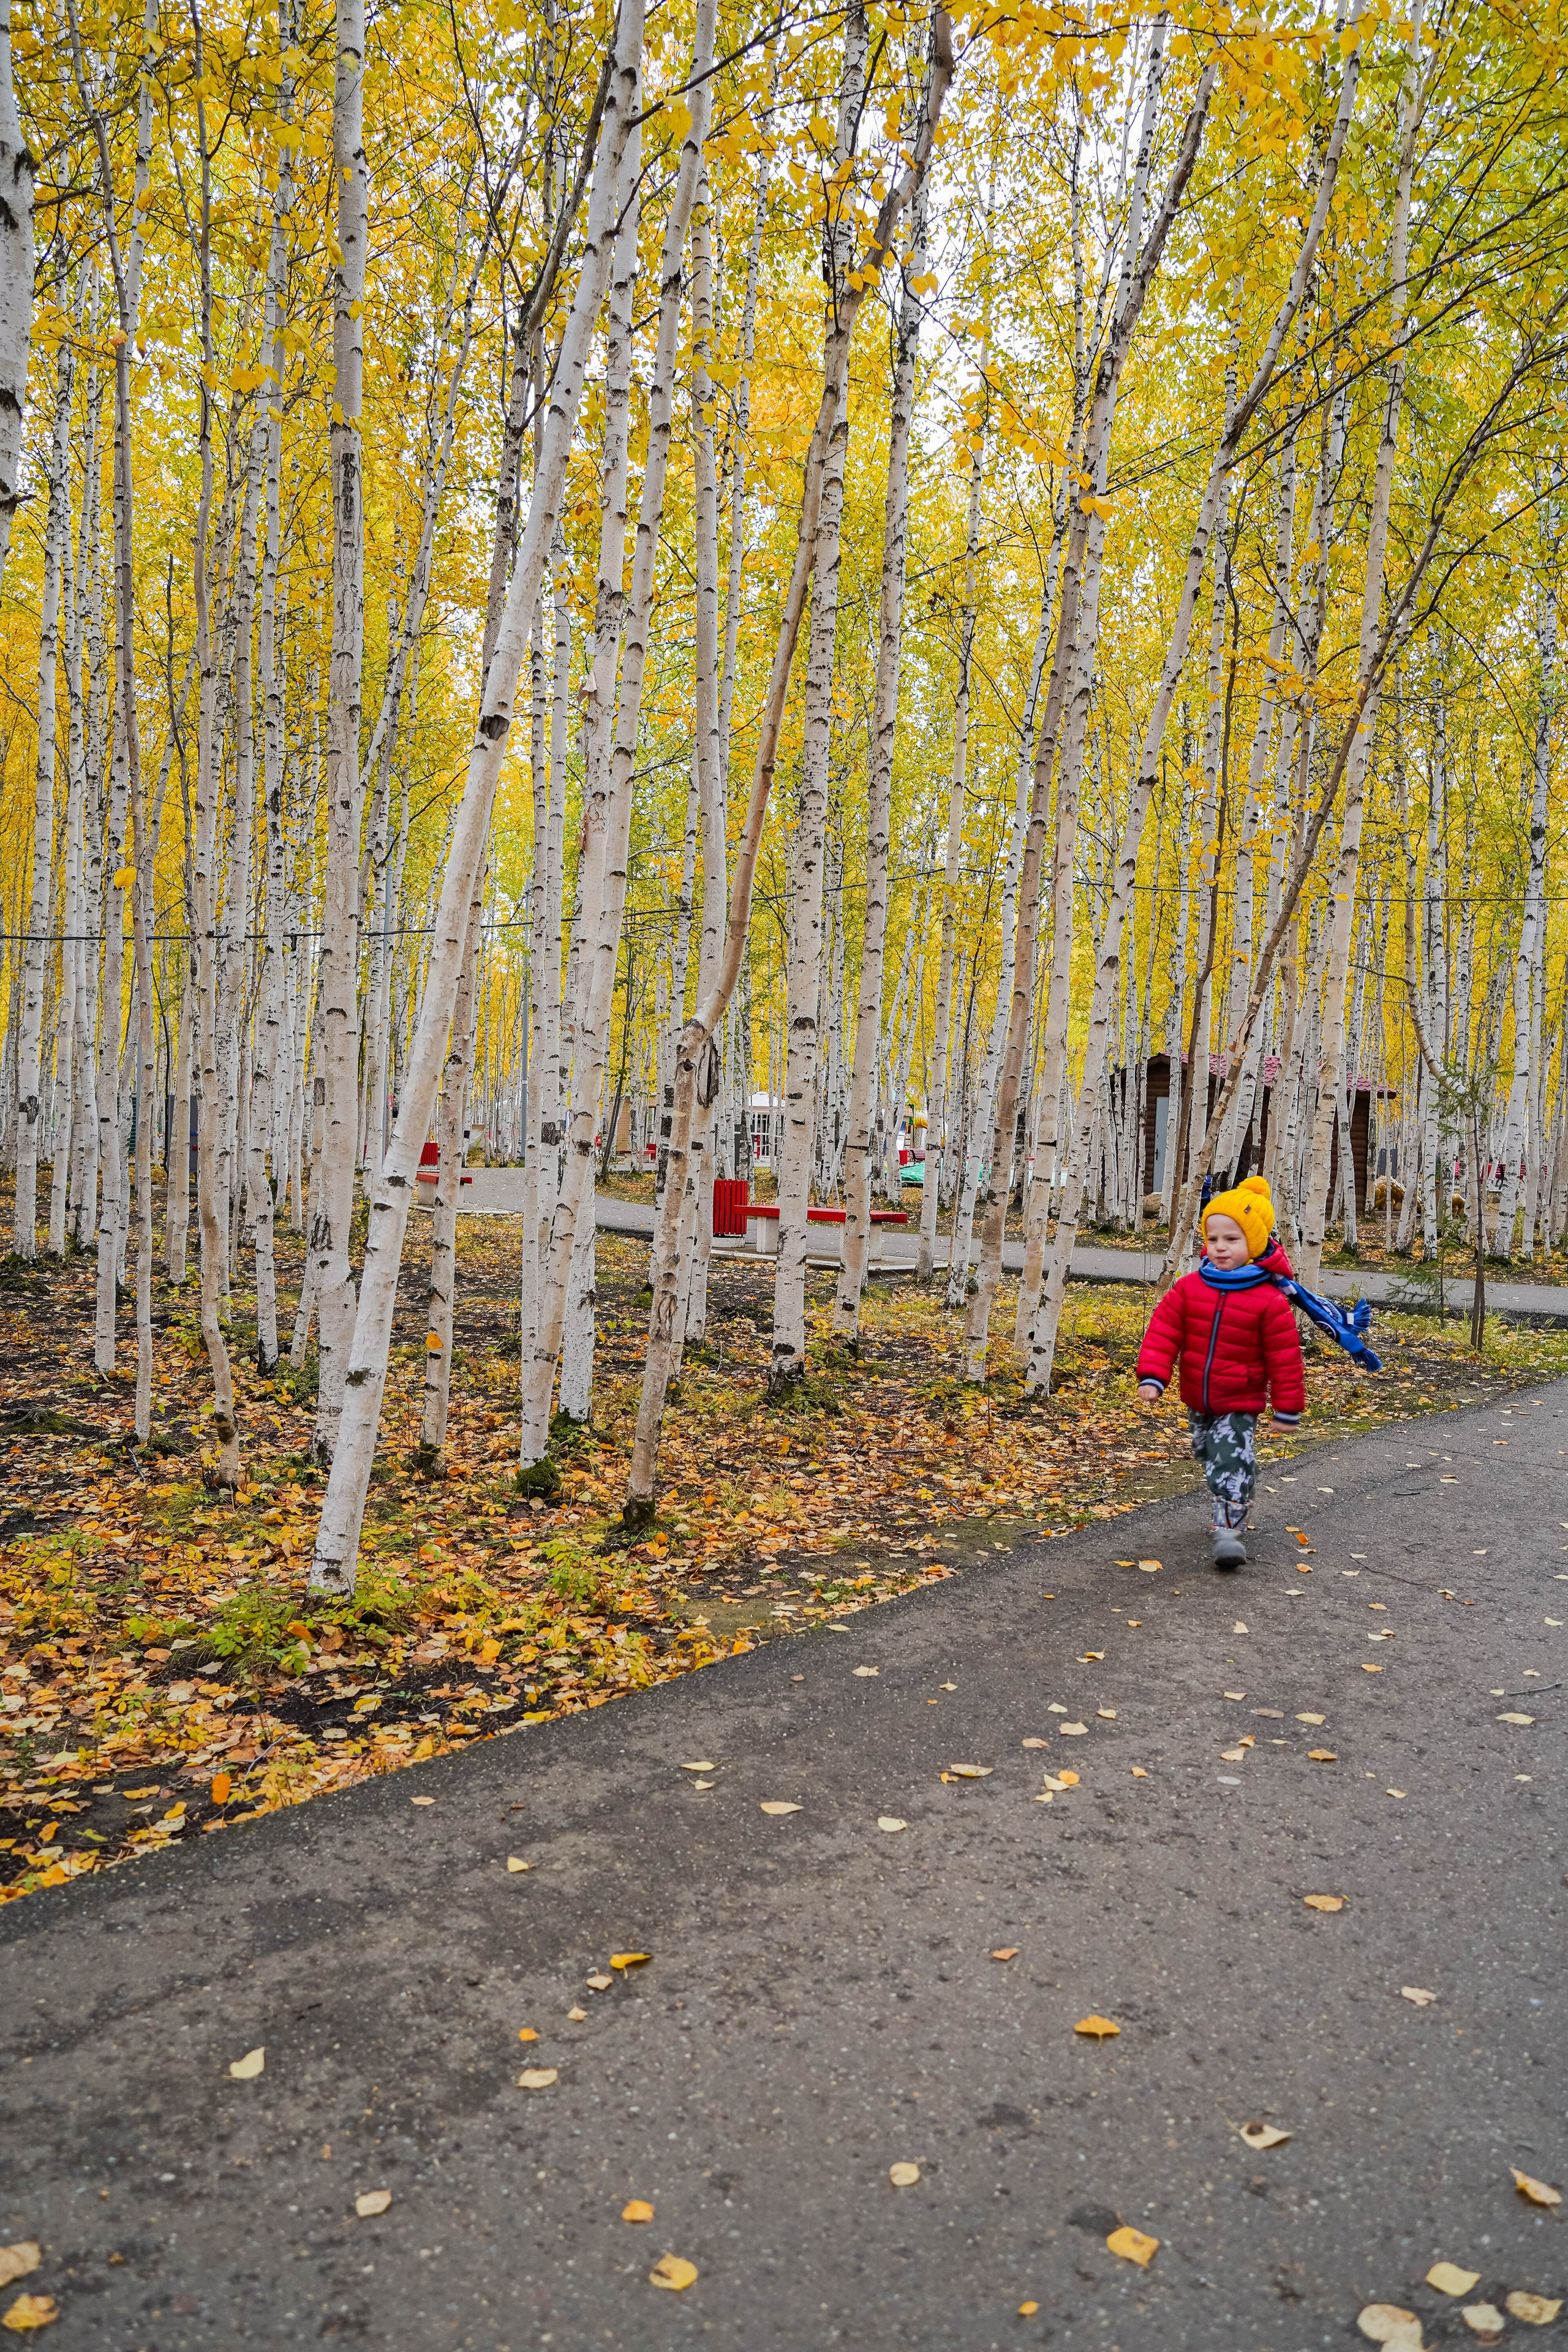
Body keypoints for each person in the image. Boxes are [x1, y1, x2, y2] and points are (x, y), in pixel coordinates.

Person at [1135, 1175, 1305, 1570]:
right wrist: (1154, 1376)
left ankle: (1229, 1529)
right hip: (1198, 1397)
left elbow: (1285, 1358)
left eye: (1232, 1239)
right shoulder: (1190, 1288)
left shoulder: (1269, 1300)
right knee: (1208, 1454)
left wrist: (1287, 1408)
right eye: (1213, 1239)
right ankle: (1233, 1483)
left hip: (1240, 1399)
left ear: (1254, 1243)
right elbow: (1164, 1332)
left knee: (1229, 1460)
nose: (1220, 1247)